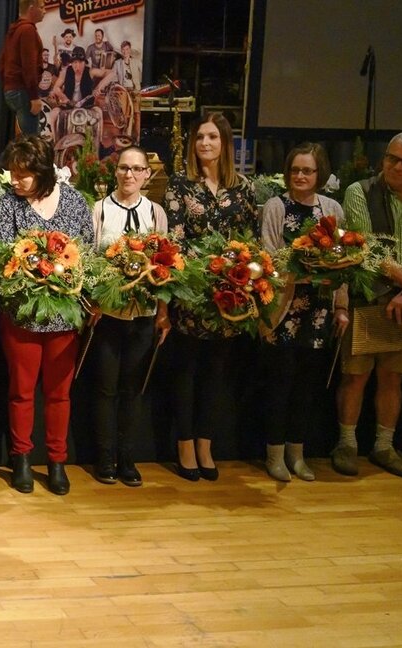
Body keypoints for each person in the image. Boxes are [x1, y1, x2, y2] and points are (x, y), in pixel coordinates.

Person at [0, 134, 94, 495]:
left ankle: (57, 461)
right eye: (12, 173)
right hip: (22, 314)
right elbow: (4, 255)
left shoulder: (76, 202)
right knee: (21, 390)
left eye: (23, 174)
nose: (14, 180)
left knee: (59, 393)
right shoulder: (7, 205)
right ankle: (21, 458)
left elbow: (87, 252)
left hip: (65, 316)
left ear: (43, 171)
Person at [333, 131, 402, 479]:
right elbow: (366, 246)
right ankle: (347, 444)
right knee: (355, 376)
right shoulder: (359, 191)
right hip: (368, 295)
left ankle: (384, 447)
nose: (396, 166)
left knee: (393, 379)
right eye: (392, 157)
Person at [164, 112, 257, 481]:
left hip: (229, 297)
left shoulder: (244, 188)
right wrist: (206, 277)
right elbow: (176, 241)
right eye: (200, 137)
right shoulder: (179, 185)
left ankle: (206, 443)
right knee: (187, 373)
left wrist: (234, 279)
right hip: (192, 296)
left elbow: (248, 242)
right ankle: (185, 444)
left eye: (213, 137)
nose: (205, 143)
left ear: (225, 143)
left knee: (216, 376)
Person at [258, 143, 345, 482]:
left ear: (319, 174)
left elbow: (343, 262)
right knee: (280, 384)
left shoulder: (332, 208)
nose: (300, 176)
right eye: (295, 170)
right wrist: (300, 270)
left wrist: (341, 306)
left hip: (320, 309)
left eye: (307, 171)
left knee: (306, 387)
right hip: (284, 308)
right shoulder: (276, 206)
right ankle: (274, 455)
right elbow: (269, 257)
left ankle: (297, 453)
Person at [90, 146, 169, 487]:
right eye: (124, 168)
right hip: (108, 314)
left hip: (144, 313)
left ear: (147, 175)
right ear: (115, 171)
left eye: (137, 169)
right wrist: (93, 302)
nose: (130, 175)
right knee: (106, 389)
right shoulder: (100, 211)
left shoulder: (156, 212)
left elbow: (167, 264)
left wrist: (164, 312)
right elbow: (90, 262)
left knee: (132, 389)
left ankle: (128, 459)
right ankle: (105, 458)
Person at [0, 0, 45, 135]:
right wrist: (34, 97)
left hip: (13, 90)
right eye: (41, 7)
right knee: (30, 142)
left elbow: (2, 62)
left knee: (22, 140)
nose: (45, 11)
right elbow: (29, 66)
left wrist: (8, 83)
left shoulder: (14, 30)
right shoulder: (28, 30)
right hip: (23, 91)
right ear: (31, 9)